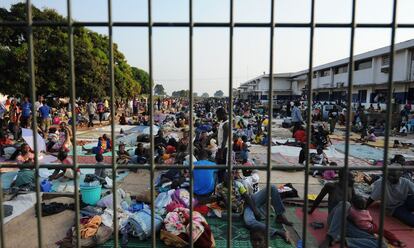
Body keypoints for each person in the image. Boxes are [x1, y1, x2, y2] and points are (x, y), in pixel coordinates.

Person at [215, 173, 292, 241]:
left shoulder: (238, 184)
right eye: (227, 180)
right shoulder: (219, 188)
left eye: (231, 180)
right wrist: (224, 201)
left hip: (249, 202)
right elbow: (218, 201)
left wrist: (255, 211)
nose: (230, 182)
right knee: (249, 222)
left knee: (272, 187)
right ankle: (279, 232)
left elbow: (247, 197)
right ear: (223, 179)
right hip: (243, 209)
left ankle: (280, 215)